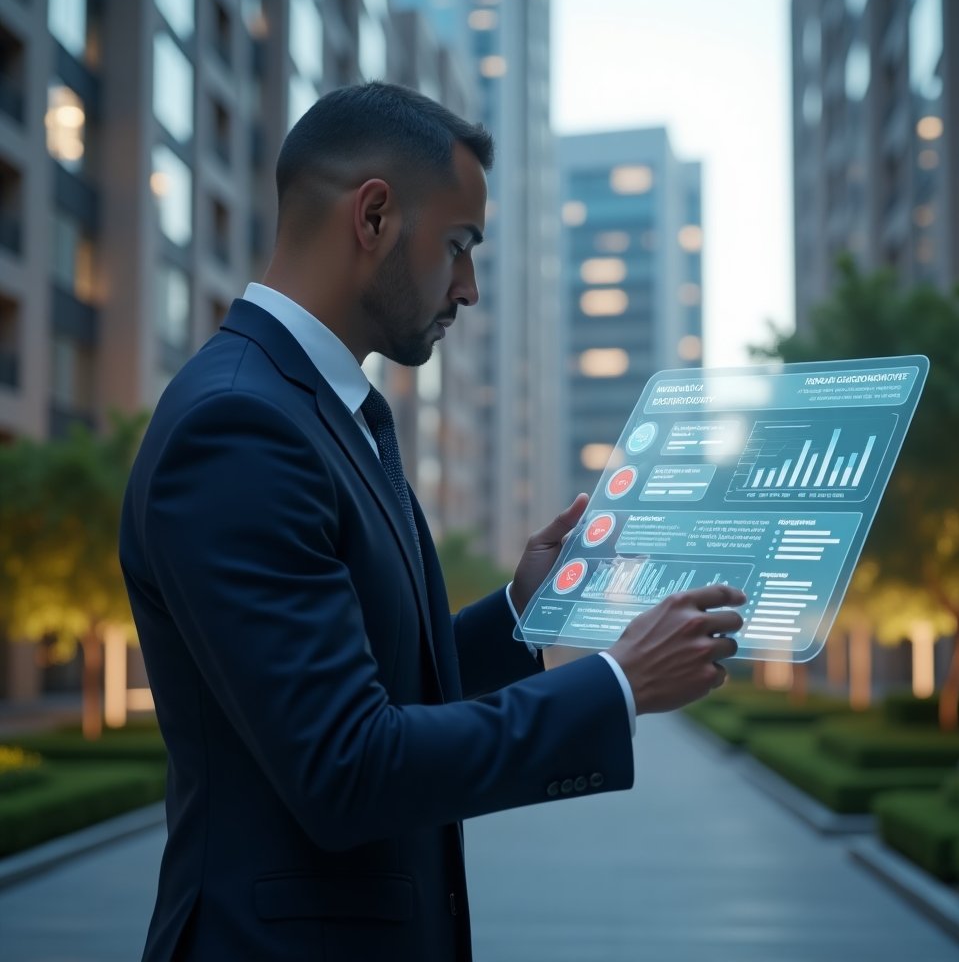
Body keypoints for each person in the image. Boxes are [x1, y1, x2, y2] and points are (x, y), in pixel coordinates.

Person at [119, 81, 744, 962]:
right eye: (459, 245)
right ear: (373, 217)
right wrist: (618, 684)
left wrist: (523, 611)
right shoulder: (241, 427)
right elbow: (348, 766)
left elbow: (371, 683)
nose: (471, 287)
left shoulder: (320, 411)